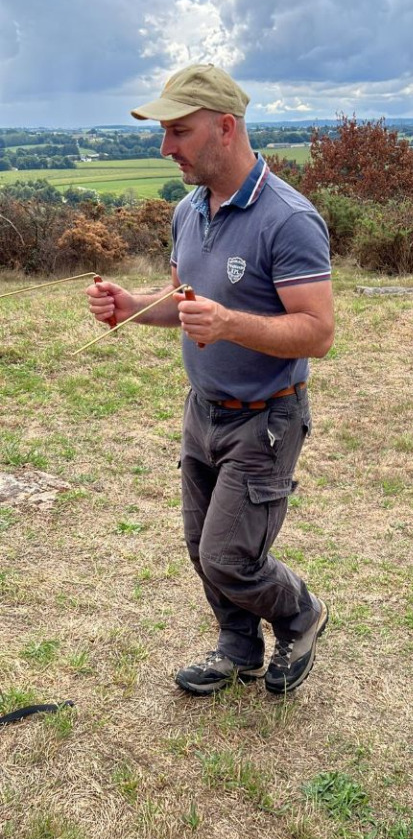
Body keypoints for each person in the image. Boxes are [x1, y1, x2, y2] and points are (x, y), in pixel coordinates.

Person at [86, 63, 334, 696]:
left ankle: (301, 615)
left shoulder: (289, 219)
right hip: (203, 409)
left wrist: (228, 324)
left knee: (230, 555)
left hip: (266, 418)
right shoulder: (189, 210)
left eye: (178, 131)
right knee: (202, 547)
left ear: (225, 128)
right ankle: (238, 645)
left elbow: (317, 332)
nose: (166, 148)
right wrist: (129, 306)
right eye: (165, 133)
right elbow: (181, 299)